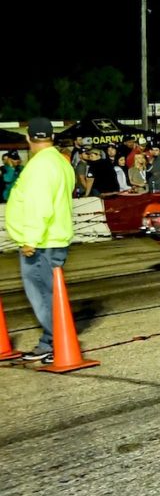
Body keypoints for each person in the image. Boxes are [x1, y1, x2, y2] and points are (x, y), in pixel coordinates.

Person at [4, 117, 76, 364]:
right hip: (56, 236)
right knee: (50, 293)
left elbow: (39, 206)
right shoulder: (60, 161)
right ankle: (50, 341)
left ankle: (57, 343)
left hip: (42, 241)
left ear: (28, 137)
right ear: (52, 137)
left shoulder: (39, 166)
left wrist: (30, 239)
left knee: (43, 295)